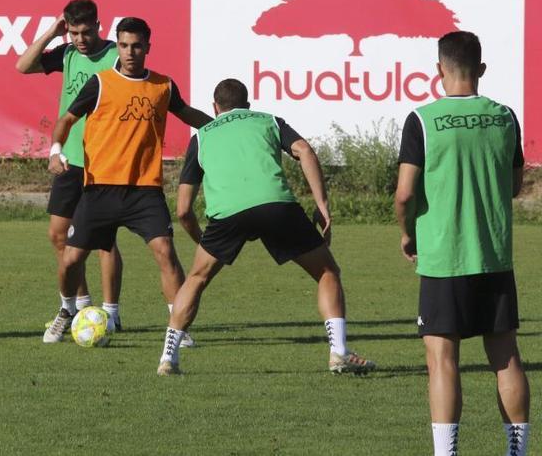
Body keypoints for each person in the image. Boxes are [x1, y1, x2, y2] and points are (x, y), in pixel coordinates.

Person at [158, 78, 376, 377]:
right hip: (277, 207)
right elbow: (305, 151)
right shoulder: (269, 120)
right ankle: (338, 352)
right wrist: (322, 205)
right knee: (327, 272)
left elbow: (183, 210)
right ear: (247, 105)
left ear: (214, 108)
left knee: (196, 278)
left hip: (227, 215)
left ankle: (168, 358)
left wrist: (203, 240)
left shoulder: (202, 137)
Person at [394, 31, 529, 456]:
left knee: (442, 360)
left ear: (439, 71)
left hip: (443, 257)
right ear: (482, 70)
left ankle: (447, 453)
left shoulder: (422, 119)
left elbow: (403, 193)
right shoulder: (505, 116)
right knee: (505, 357)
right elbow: (513, 184)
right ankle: (517, 451)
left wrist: (407, 232)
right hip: (493, 255)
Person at [43, 17, 211, 344]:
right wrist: (55, 150)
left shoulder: (163, 85)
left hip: (144, 191)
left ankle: (178, 327)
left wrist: (222, 126)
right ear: (116, 45)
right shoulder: (100, 83)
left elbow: (187, 113)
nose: (130, 52)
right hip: (99, 189)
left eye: (136, 45)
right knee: (71, 259)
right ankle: (66, 311)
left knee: (165, 252)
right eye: (123, 45)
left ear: (148, 47)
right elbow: (66, 119)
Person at [16, 0, 124, 328]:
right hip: (69, 160)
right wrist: (52, 32)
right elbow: (23, 65)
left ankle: (111, 313)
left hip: (105, 162)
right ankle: (81, 305)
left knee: (104, 240)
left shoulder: (116, 57)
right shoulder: (68, 55)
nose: (80, 39)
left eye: (86, 32)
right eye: (73, 32)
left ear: (98, 25)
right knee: (59, 235)